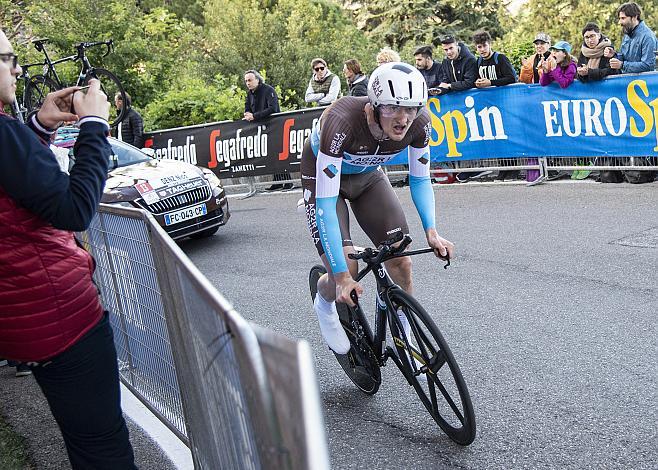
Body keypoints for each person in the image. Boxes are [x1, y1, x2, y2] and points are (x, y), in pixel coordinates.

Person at [0, 29, 137, 470]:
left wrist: (37, 128)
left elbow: (18, 185)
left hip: (22, 319)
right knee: (102, 446)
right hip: (61, 321)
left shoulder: (9, 137)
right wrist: (95, 126)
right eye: (7, 59)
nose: (18, 68)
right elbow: (74, 209)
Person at [300, 62, 455, 354]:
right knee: (347, 268)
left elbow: (420, 179)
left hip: (368, 177)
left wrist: (432, 231)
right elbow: (324, 203)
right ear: (373, 105)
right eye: (393, 108)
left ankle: (405, 331)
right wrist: (343, 277)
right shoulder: (342, 120)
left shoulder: (421, 123)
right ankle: (324, 302)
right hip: (323, 183)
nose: (403, 118)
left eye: (411, 108)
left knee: (400, 260)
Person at [604, 2, 658, 183]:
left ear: (634, 17)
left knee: (648, 131)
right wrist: (614, 55)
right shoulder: (627, 35)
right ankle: (635, 168)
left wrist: (623, 65)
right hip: (627, 90)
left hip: (645, 93)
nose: (620, 22)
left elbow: (648, 64)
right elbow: (623, 56)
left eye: (623, 18)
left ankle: (650, 169)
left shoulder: (648, 36)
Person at [471, 30, 519, 180]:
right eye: (479, 47)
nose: (482, 49)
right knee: (496, 136)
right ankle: (503, 168)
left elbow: (511, 78)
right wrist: (478, 84)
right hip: (488, 106)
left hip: (504, 103)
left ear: (490, 44)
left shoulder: (500, 58)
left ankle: (513, 169)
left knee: (507, 135)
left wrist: (491, 83)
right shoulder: (478, 62)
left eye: (484, 46)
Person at [243, 70, 289, 190]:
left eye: (250, 80)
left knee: (278, 153)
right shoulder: (249, 93)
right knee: (271, 155)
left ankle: (287, 181)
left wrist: (255, 116)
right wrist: (247, 113)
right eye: (246, 81)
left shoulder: (268, 90)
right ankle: (278, 182)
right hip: (261, 128)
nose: (248, 83)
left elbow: (273, 108)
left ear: (257, 80)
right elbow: (247, 107)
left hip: (274, 125)